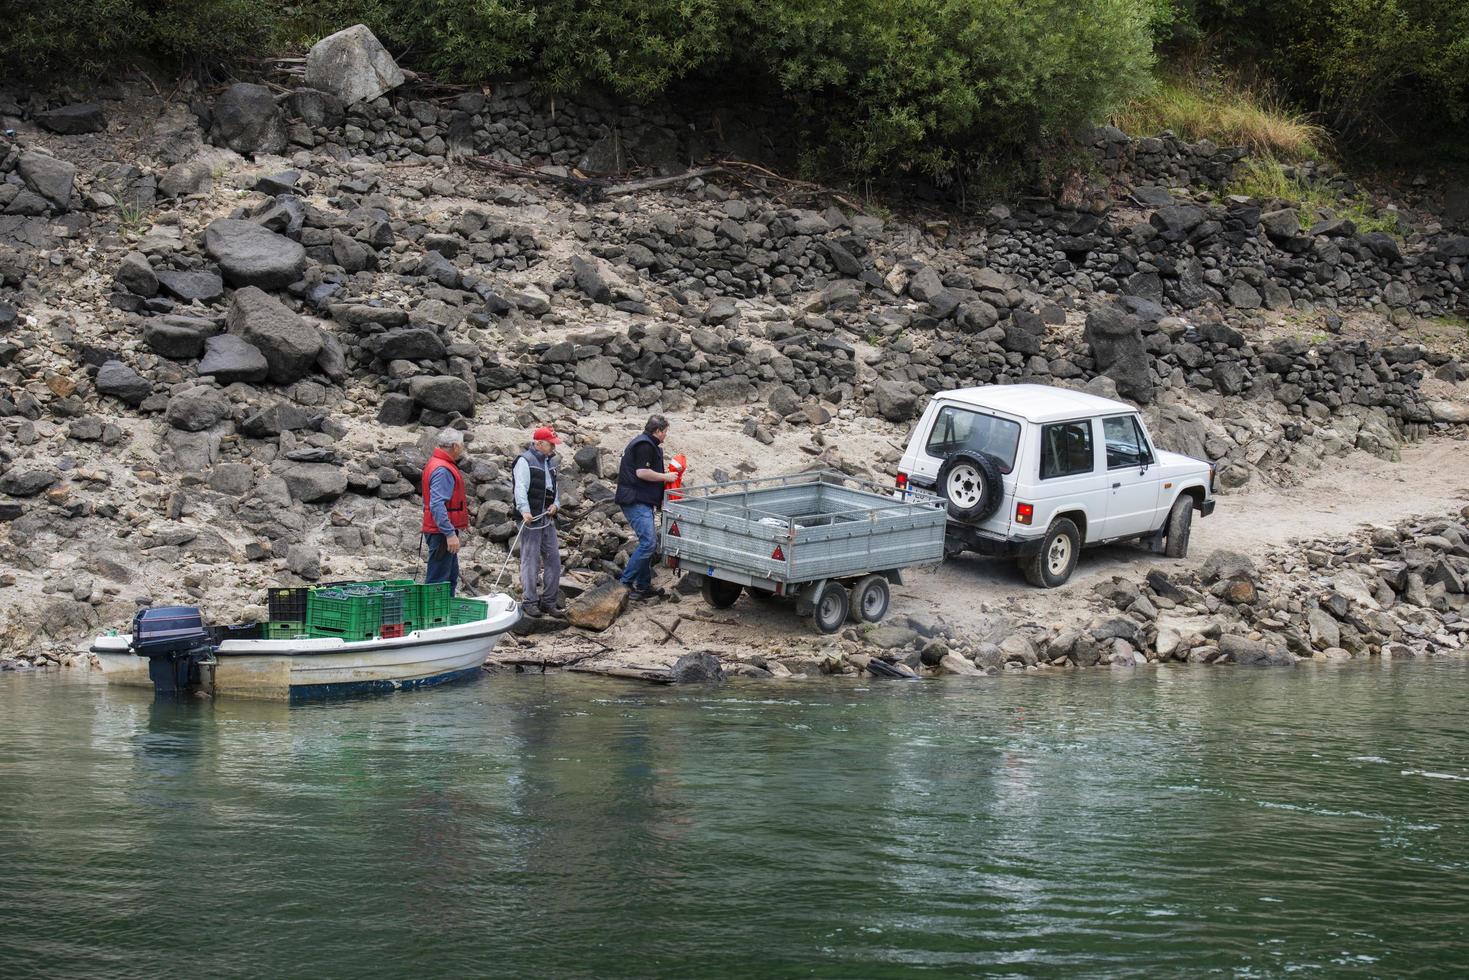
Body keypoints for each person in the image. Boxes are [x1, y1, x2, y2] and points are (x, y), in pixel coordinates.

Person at [614, 414, 683, 599]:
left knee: (647, 543)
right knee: (649, 543)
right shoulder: (645, 445)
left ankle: (643, 586)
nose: (666, 435)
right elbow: (642, 472)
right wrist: (666, 477)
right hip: (635, 500)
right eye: (666, 431)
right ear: (658, 431)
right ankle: (625, 583)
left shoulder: (648, 444)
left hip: (641, 500)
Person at [512, 427, 563, 617]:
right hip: (531, 518)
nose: (553, 448)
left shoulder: (549, 462)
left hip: (546, 517)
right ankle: (530, 601)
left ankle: (549, 601)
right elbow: (520, 488)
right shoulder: (525, 461)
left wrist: (556, 505)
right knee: (530, 560)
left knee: (553, 560)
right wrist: (524, 510)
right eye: (551, 444)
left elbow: (554, 490)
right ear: (539, 444)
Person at [421, 428, 470, 595]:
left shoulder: (436, 463)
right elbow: (437, 504)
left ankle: (444, 615)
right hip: (440, 533)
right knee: (439, 580)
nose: (463, 448)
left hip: (439, 530)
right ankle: (433, 618)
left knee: (449, 576)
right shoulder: (443, 469)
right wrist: (450, 534)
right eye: (462, 445)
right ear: (455, 446)